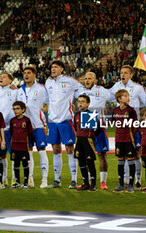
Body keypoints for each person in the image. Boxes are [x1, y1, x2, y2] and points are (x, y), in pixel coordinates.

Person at [46, 60, 82, 189]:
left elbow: (81, 91)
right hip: (52, 121)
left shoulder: (69, 81)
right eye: (52, 67)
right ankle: (57, 180)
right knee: (55, 150)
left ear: (61, 69)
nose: (53, 69)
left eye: (56, 67)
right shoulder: (48, 82)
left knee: (69, 149)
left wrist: (78, 103)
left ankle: (73, 180)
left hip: (65, 120)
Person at [110, 65, 146, 189]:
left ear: (131, 74)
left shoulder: (138, 88)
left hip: (133, 130)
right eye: (121, 72)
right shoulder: (116, 87)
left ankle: (138, 180)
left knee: (136, 155)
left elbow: (145, 103)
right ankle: (124, 182)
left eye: (126, 73)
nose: (123, 75)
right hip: (121, 134)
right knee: (122, 158)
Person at [75, 72, 110, 190]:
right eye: (85, 78)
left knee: (101, 154)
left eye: (89, 78)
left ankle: (103, 182)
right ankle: (89, 182)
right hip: (86, 129)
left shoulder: (102, 90)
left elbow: (116, 96)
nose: (87, 80)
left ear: (95, 79)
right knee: (85, 157)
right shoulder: (80, 92)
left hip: (99, 126)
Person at [17, 66, 49, 188]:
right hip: (25, 127)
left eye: (29, 73)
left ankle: (44, 180)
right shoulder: (20, 90)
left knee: (42, 152)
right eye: (24, 73)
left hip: (39, 125)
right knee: (28, 154)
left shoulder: (41, 89)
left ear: (34, 75)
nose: (26, 75)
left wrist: (44, 109)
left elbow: (49, 103)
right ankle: (30, 179)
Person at [0, 72, 18, 185]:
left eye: (4, 77)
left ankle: (14, 178)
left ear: (10, 80)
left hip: (12, 128)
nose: (1, 78)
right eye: (0, 77)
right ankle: (4, 178)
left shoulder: (15, 92)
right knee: (1, 154)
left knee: (13, 153)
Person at [112, 89, 138, 193]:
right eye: (125, 96)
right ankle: (121, 184)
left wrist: (130, 133)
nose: (128, 98)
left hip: (128, 139)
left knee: (131, 160)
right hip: (119, 139)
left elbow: (135, 125)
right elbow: (114, 123)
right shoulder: (115, 110)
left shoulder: (131, 110)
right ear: (119, 99)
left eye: (128, 96)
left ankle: (131, 185)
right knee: (120, 161)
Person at [74, 95, 98, 191]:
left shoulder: (91, 115)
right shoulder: (76, 115)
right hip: (79, 140)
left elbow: (98, 128)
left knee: (90, 162)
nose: (80, 103)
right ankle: (86, 183)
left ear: (88, 104)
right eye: (79, 101)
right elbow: (76, 128)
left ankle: (94, 185)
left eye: (83, 101)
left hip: (88, 141)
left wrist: (91, 136)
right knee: (81, 162)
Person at [10, 101, 33, 189]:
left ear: (23, 110)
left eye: (17, 109)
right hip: (15, 145)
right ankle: (17, 182)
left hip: (23, 146)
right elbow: (12, 133)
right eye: (14, 109)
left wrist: (28, 145)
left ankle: (26, 182)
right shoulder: (12, 121)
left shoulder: (26, 120)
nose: (15, 111)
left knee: (25, 163)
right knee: (15, 164)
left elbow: (29, 134)